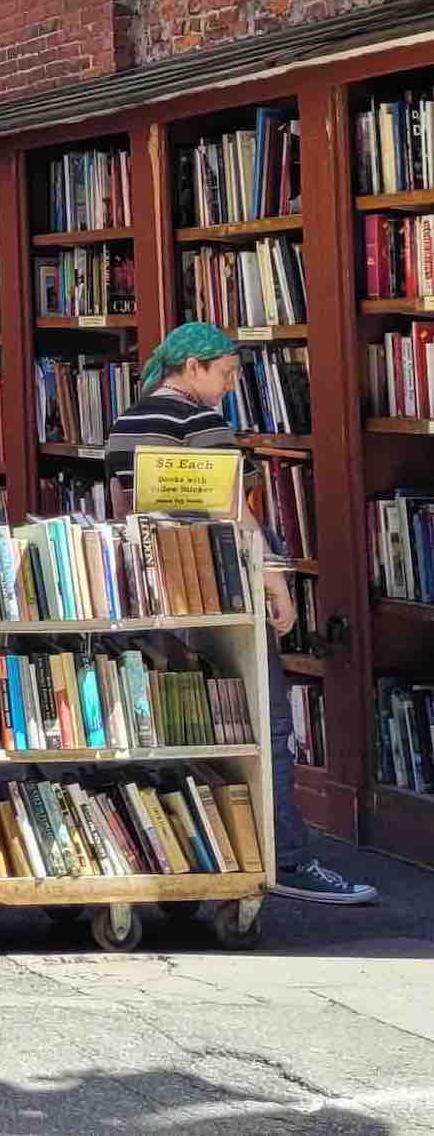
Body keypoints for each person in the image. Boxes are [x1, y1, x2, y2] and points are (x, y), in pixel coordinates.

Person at [105, 321, 376, 906]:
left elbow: (124, 511)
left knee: (186, 729)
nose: (229, 388)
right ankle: (289, 861)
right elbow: (234, 513)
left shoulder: (127, 422)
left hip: (156, 591)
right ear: (194, 367)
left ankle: (202, 853)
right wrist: (275, 579)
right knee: (268, 725)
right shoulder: (199, 421)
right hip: (218, 586)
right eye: (225, 374)